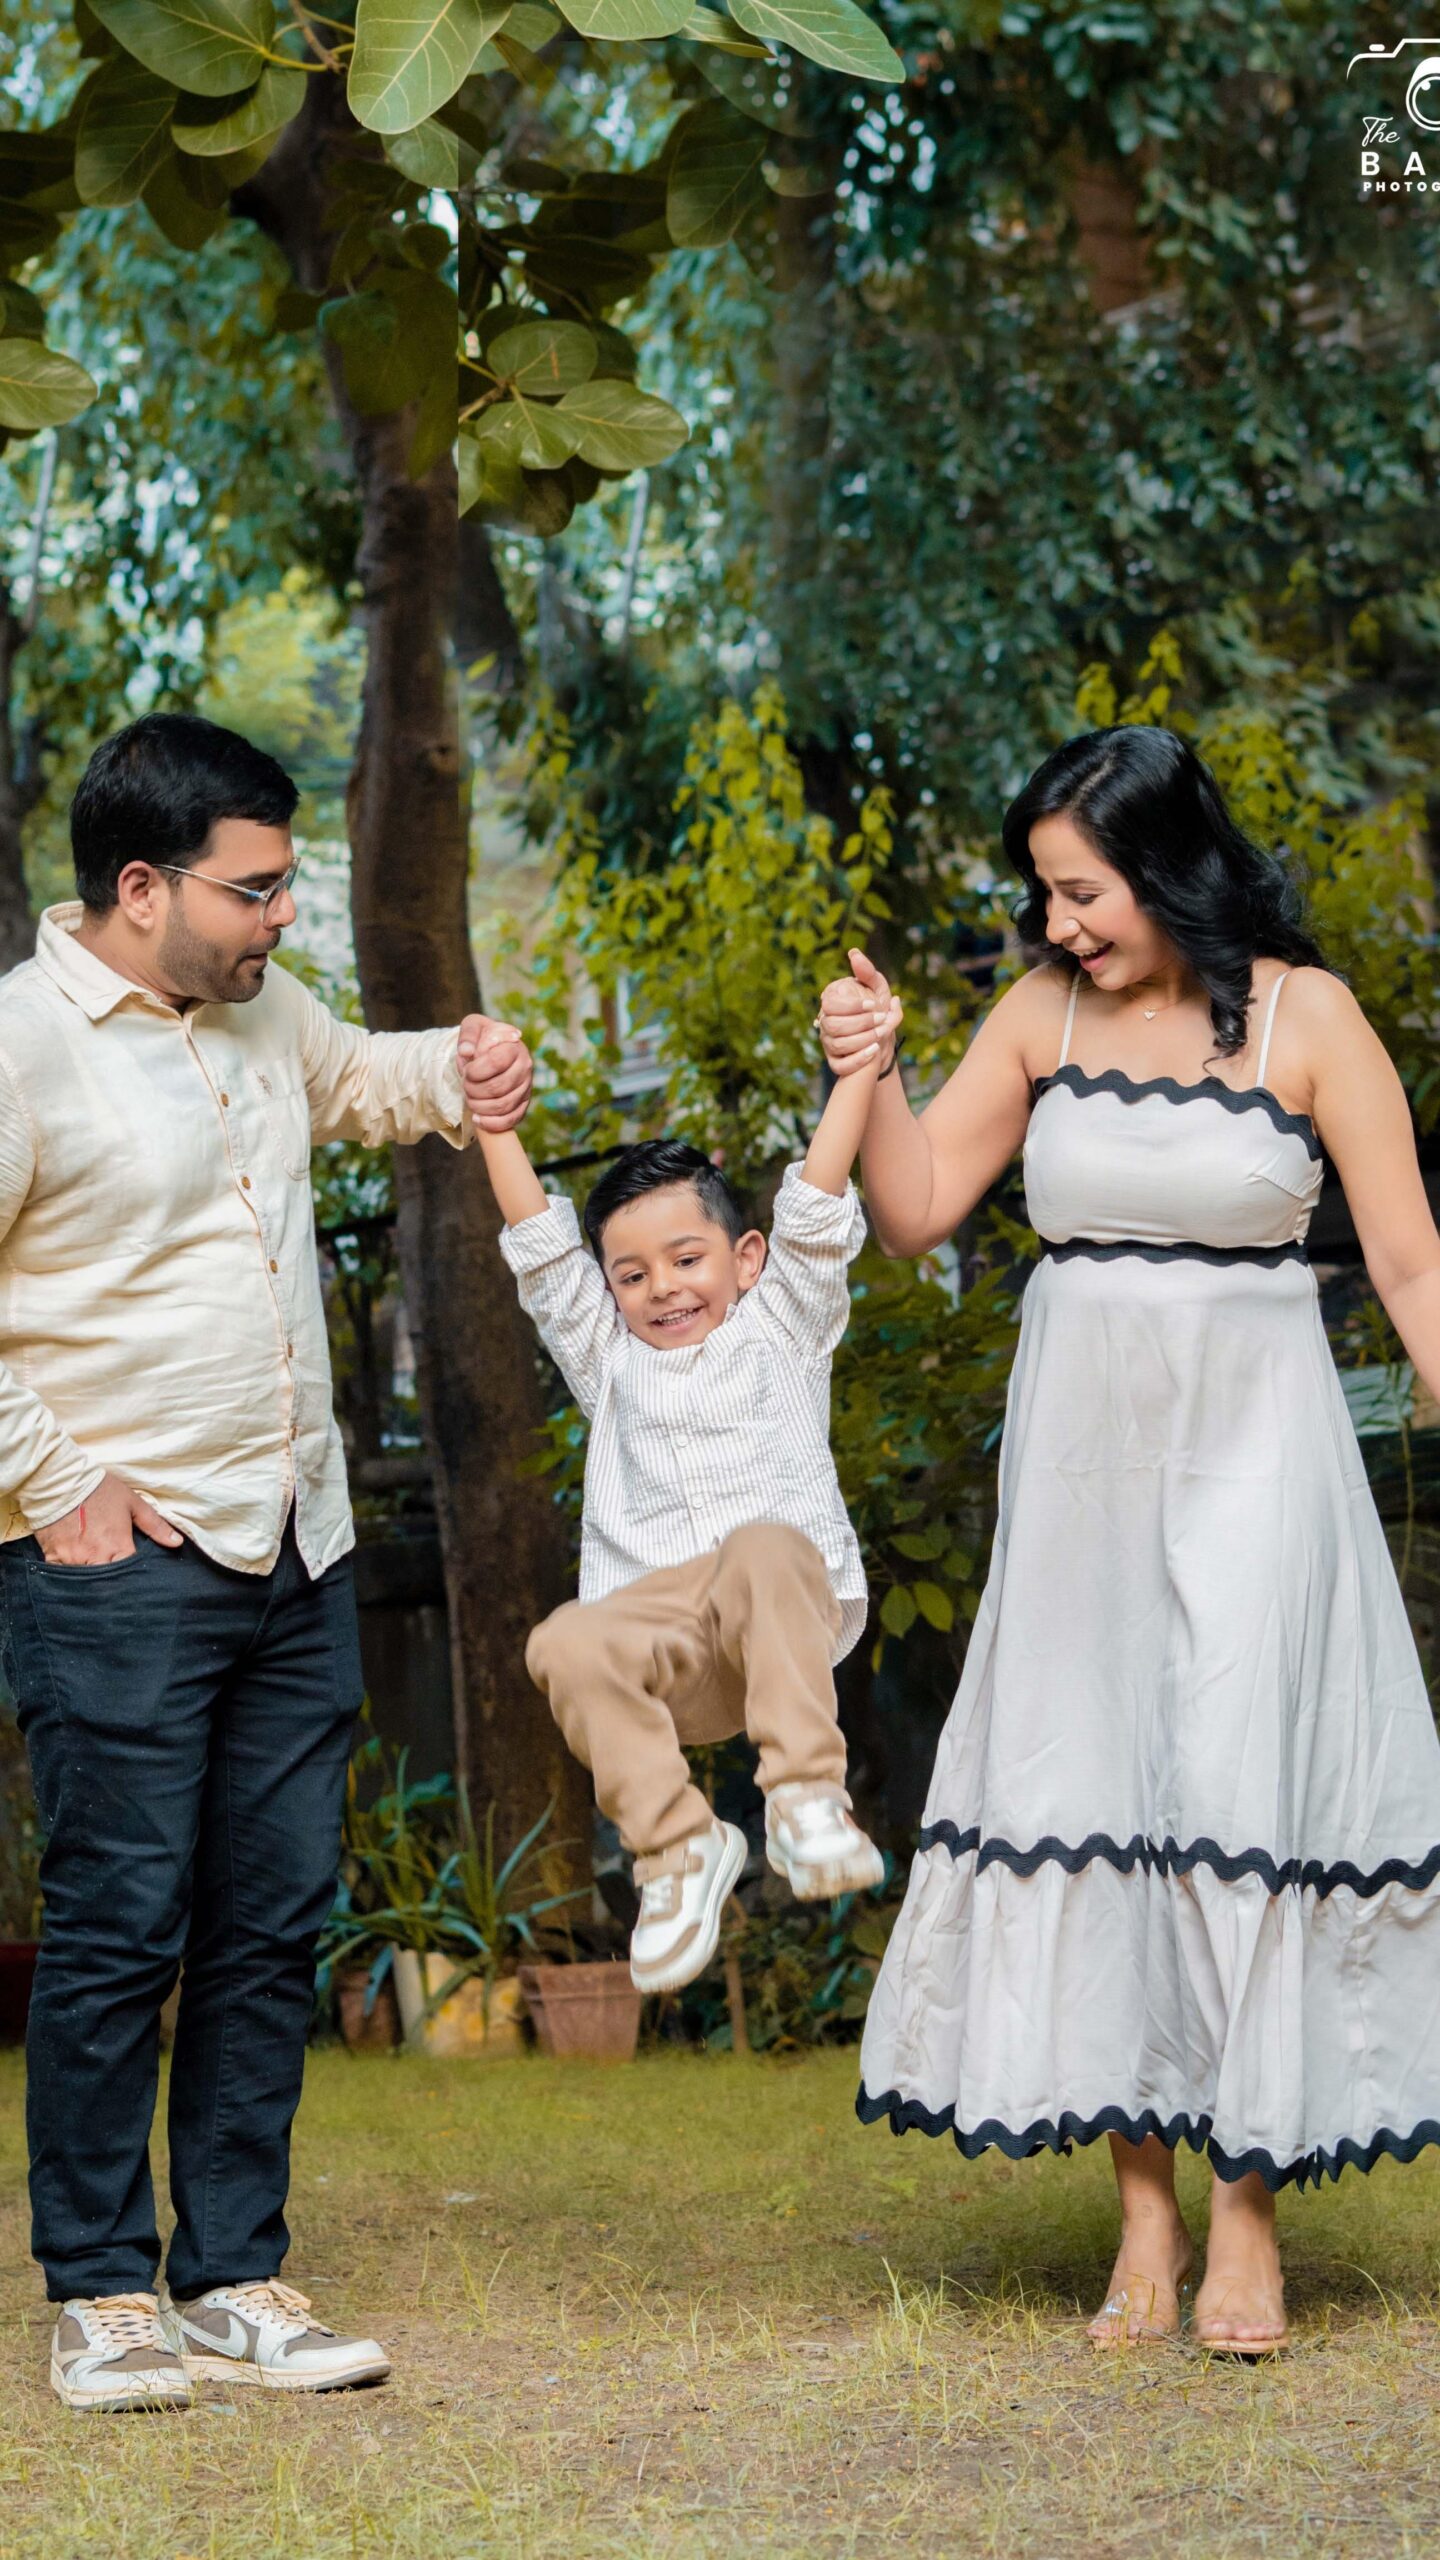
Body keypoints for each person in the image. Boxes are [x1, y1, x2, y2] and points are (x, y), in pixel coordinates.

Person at [820, 723, 1440, 2358]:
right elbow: (918, 1208)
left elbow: (1412, 1263)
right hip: (1084, 1473)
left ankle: (1248, 2217)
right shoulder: (1041, 1016)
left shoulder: (1311, 1020)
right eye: (1044, 893)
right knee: (1104, 1791)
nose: (1058, 924)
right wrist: (869, 1071)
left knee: (1242, 1792)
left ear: (1171, 867)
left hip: (1262, 1457)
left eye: (1083, 891)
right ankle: (1146, 2217)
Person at [0, 712, 528, 2412]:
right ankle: (102, 2291)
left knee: (265, 1924)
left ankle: (232, 2276)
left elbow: (362, 1078)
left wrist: (464, 1065)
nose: (283, 914)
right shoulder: (19, 1047)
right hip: (120, 1566)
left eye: (287, 883)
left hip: (296, 1543)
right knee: (119, 1926)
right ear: (141, 887)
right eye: (256, 888)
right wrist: (53, 1480)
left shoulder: (258, 1010)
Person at [473, 1076, 887, 1996]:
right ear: (610, 1291)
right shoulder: (609, 1362)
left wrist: (859, 1066)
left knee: (763, 1547)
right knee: (563, 1640)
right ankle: (676, 1849)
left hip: (778, 1620)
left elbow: (817, 1208)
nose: (662, 1288)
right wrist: (494, 1126)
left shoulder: (785, 1325)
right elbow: (542, 1255)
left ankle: (806, 1798)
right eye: (631, 1276)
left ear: (747, 1259)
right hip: (670, 1651)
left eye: (686, 1259)